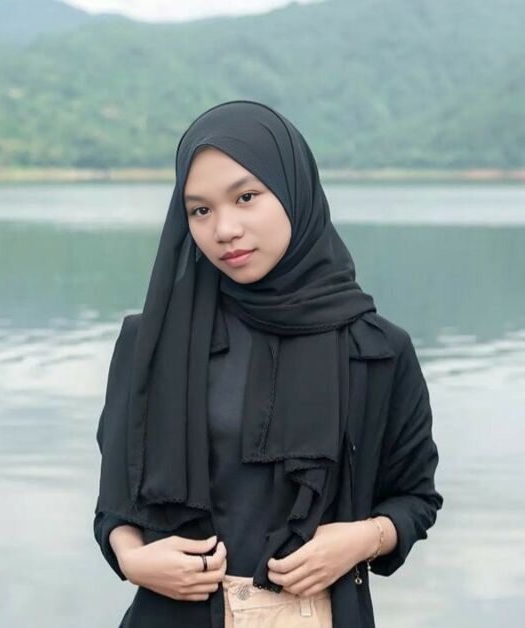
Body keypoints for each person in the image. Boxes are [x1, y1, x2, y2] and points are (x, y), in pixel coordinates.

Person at [93, 100, 444, 628]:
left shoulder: (376, 349)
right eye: (200, 210)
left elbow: (415, 498)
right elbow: (114, 505)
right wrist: (132, 559)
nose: (224, 229)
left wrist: (361, 538)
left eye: (246, 197)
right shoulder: (152, 342)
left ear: (294, 190)